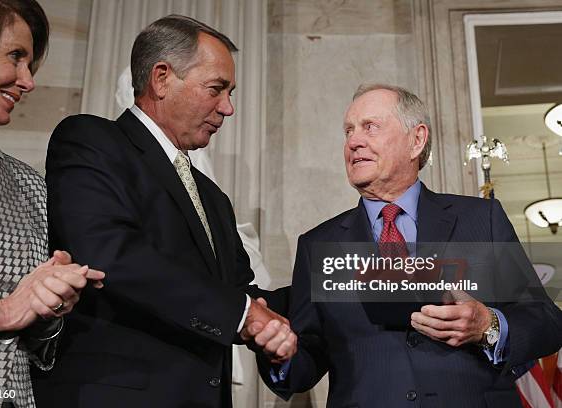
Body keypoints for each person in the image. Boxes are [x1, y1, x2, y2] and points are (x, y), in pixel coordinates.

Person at [32, 15, 296, 408]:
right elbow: (109, 252)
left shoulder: (213, 198)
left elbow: (240, 295)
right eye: (216, 89)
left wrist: (339, 280)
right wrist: (244, 314)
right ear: (161, 78)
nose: (228, 108)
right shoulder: (92, 141)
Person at [257, 84, 562, 407]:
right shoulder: (319, 244)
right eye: (348, 131)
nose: (353, 141)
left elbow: (546, 321)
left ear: (416, 140)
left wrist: (488, 325)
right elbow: (308, 358)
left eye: (370, 127)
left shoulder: (479, 219)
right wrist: (279, 350)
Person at [0, 0, 105, 407]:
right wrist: (3, 312)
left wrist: (49, 309)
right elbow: (9, 313)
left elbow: (34, 344)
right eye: (15, 57)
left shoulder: (28, 185)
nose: (28, 81)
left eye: (30, 64)